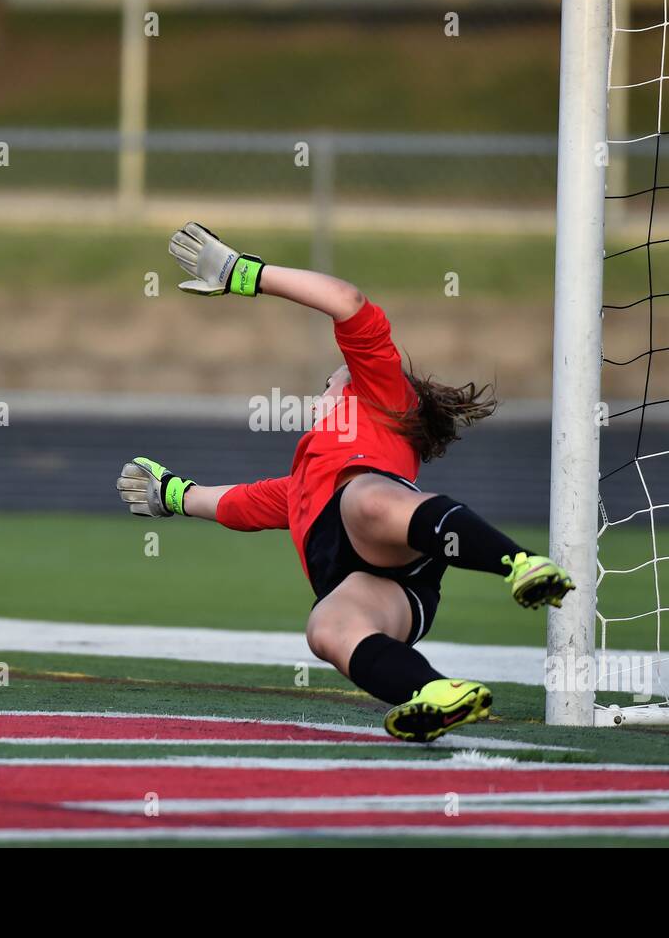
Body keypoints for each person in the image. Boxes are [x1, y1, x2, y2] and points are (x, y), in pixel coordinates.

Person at [117, 223, 574, 742]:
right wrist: (172, 494)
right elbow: (237, 504)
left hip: (383, 526)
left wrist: (241, 274)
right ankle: (438, 694)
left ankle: (518, 563)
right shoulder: (306, 482)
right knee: (326, 629)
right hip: (389, 590)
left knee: (364, 500)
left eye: (329, 384)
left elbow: (346, 300)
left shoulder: (383, 397)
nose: (320, 395)